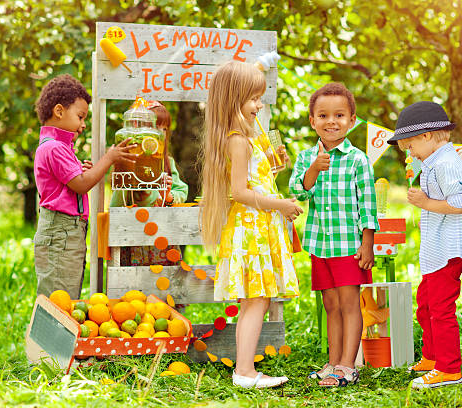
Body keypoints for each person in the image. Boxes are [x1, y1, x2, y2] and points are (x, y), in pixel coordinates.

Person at [201, 61, 302, 389]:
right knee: (256, 300)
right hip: (251, 228)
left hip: (256, 227)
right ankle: (244, 371)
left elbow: (258, 179)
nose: (260, 104)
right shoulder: (237, 140)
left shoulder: (246, 136)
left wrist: (274, 168)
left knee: (256, 301)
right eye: (254, 98)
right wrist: (281, 205)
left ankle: (245, 369)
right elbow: (240, 192)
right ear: (234, 99)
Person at [289, 82, 379, 387]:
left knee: (349, 304)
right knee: (330, 305)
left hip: (348, 245)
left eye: (339, 115)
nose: (331, 121)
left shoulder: (358, 160)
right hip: (320, 244)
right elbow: (297, 193)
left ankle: (347, 366)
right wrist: (314, 168)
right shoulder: (305, 158)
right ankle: (333, 361)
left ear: (351, 121)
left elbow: (368, 204)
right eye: (324, 115)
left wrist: (368, 243)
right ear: (313, 121)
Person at [387, 101, 462, 389]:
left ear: (426, 136)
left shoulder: (447, 164)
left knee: (440, 309)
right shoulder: (435, 162)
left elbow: (461, 202)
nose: (409, 152)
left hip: (449, 250)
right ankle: (432, 357)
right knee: (425, 304)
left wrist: (426, 204)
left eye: (410, 145)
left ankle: (449, 368)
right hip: (438, 249)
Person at [33, 74, 136, 299]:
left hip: (66, 231)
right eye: (80, 116)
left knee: (67, 291)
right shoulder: (54, 148)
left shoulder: (59, 147)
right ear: (59, 111)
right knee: (59, 298)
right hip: (61, 231)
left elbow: (72, 183)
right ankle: (51, 334)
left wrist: (89, 170)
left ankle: (59, 332)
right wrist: (107, 160)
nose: (82, 125)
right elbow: (80, 186)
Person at [110, 100, 188, 266]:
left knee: (164, 282)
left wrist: (168, 196)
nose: (160, 133)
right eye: (155, 128)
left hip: (163, 236)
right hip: (136, 235)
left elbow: (181, 191)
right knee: (135, 285)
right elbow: (117, 203)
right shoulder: (127, 162)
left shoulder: (168, 163)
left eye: (164, 129)